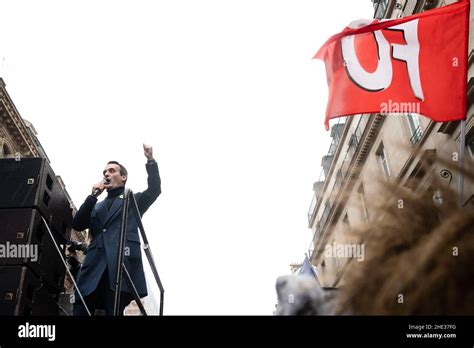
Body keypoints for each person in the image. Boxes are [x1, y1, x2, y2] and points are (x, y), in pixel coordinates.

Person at [72, 144, 161, 315]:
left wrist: (150, 161)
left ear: (124, 177)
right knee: (81, 309)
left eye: (112, 171)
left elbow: (154, 190)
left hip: (118, 267)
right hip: (93, 268)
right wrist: (92, 197)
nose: (106, 174)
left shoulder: (132, 200)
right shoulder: (96, 206)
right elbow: (78, 224)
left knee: (112, 310)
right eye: (105, 172)